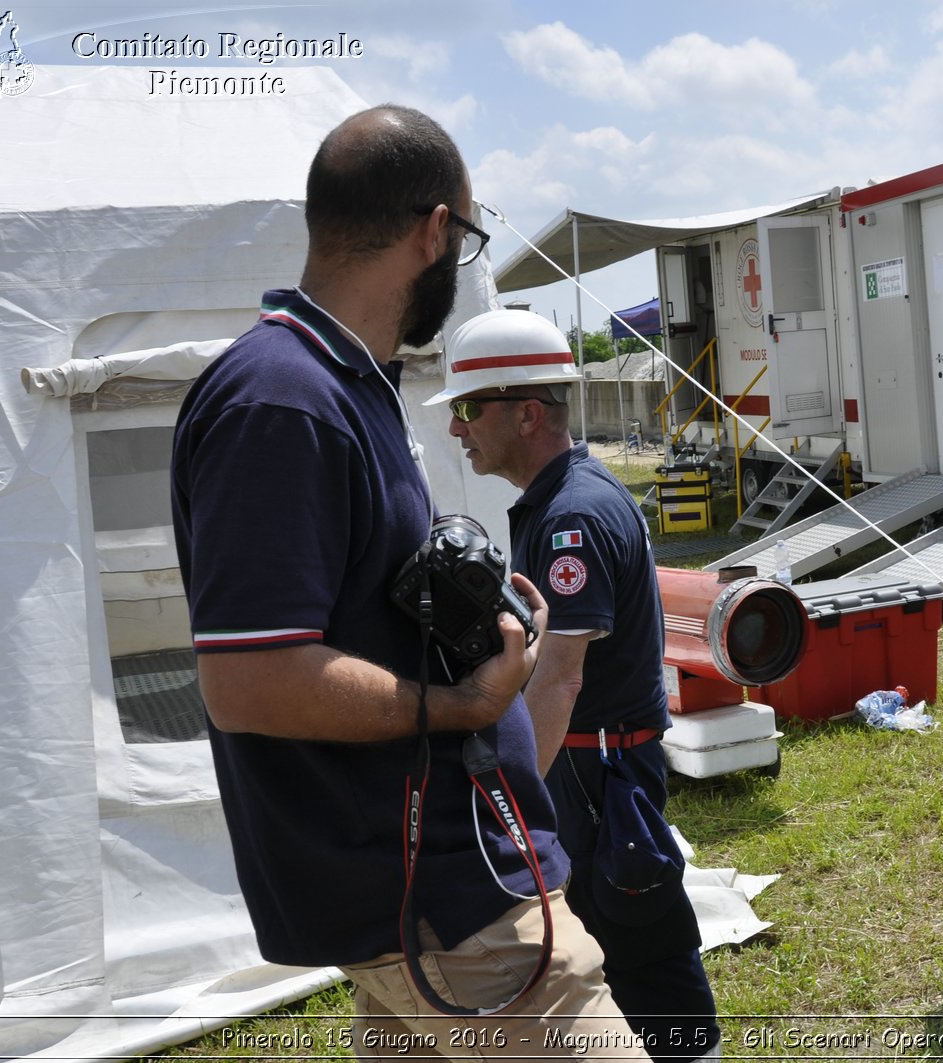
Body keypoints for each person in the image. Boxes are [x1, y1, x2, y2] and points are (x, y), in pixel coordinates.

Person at [171, 105, 648, 1059]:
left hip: (423, 885)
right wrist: (466, 700)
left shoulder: (341, 381)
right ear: (435, 229)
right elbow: (250, 680)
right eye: (467, 240)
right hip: (443, 896)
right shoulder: (283, 400)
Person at [434, 309, 722, 1062]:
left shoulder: (572, 517)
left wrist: (509, 793)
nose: (458, 430)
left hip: (597, 773)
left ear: (527, 413)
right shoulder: (556, 502)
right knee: (601, 948)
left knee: (644, 944)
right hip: (585, 764)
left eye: (467, 409)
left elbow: (560, 675)